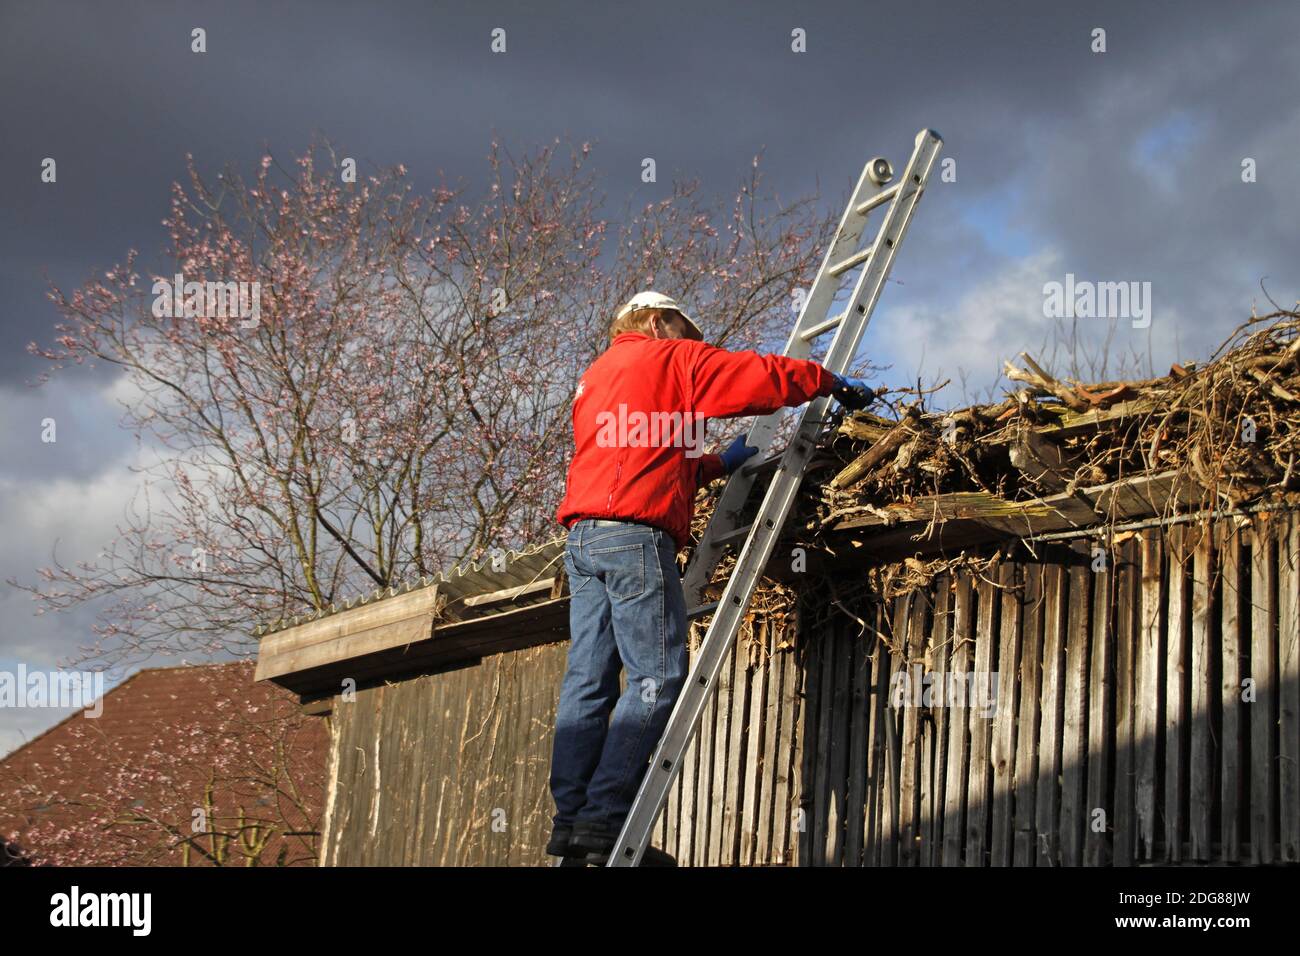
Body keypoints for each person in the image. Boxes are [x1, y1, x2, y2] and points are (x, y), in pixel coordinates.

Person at [547, 290, 873, 865]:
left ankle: (572, 821)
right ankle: (604, 821)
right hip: (633, 538)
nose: (696, 344)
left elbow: (639, 454)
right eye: (686, 331)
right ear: (655, 321)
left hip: (584, 539)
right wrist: (826, 379)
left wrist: (722, 463)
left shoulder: (596, 375)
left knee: (588, 681)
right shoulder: (667, 356)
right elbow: (754, 375)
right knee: (658, 679)